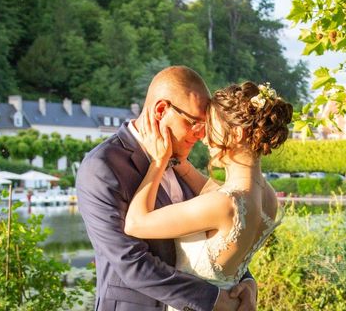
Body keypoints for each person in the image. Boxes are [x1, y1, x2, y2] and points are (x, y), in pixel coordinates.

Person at [76, 66, 257, 311]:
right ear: (161, 110)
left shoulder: (181, 162)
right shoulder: (102, 166)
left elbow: (218, 238)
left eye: (205, 124)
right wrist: (214, 299)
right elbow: (130, 262)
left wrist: (245, 281)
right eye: (194, 122)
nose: (201, 134)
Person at [125, 81, 293, 311]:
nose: (204, 138)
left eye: (211, 126)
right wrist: (179, 160)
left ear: (236, 133)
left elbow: (136, 224)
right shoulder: (268, 196)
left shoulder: (223, 204)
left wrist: (158, 161)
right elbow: (213, 191)